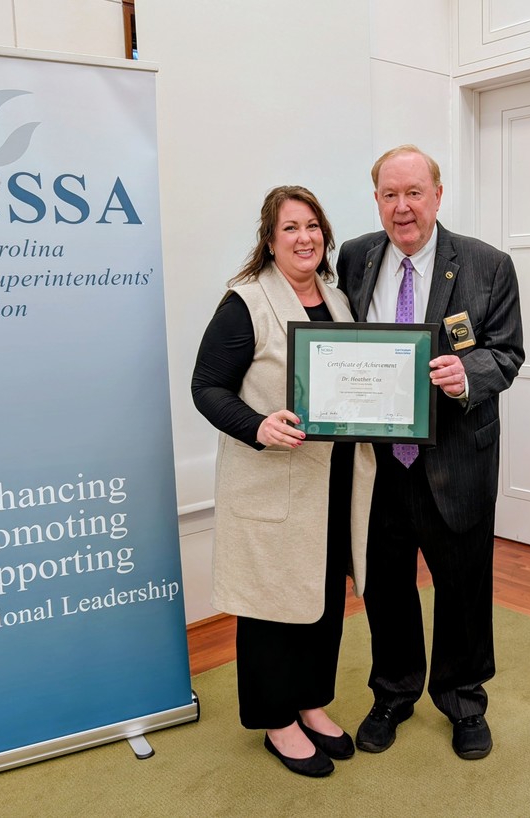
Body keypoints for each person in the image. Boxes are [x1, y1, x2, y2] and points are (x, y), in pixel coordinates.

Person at [336, 145, 524, 760]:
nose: (402, 207)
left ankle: (465, 699)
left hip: (456, 458)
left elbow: (507, 353)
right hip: (381, 461)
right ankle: (393, 693)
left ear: (438, 195)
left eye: (414, 192)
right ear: (377, 201)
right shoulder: (356, 256)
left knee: (462, 587)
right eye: (390, 195)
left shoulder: (488, 265)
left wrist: (466, 374)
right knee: (386, 587)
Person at [192, 186, 376, 778]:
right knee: (271, 607)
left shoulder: (339, 299)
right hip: (273, 482)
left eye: (313, 226)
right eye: (290, 228)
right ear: (269, 241)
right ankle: (277, 722)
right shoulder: (245, 302)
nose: (304, 238)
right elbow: (207, 388)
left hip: (331, 484)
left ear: (324, 234)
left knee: (320, 601)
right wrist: (258, 425)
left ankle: (309, 702)